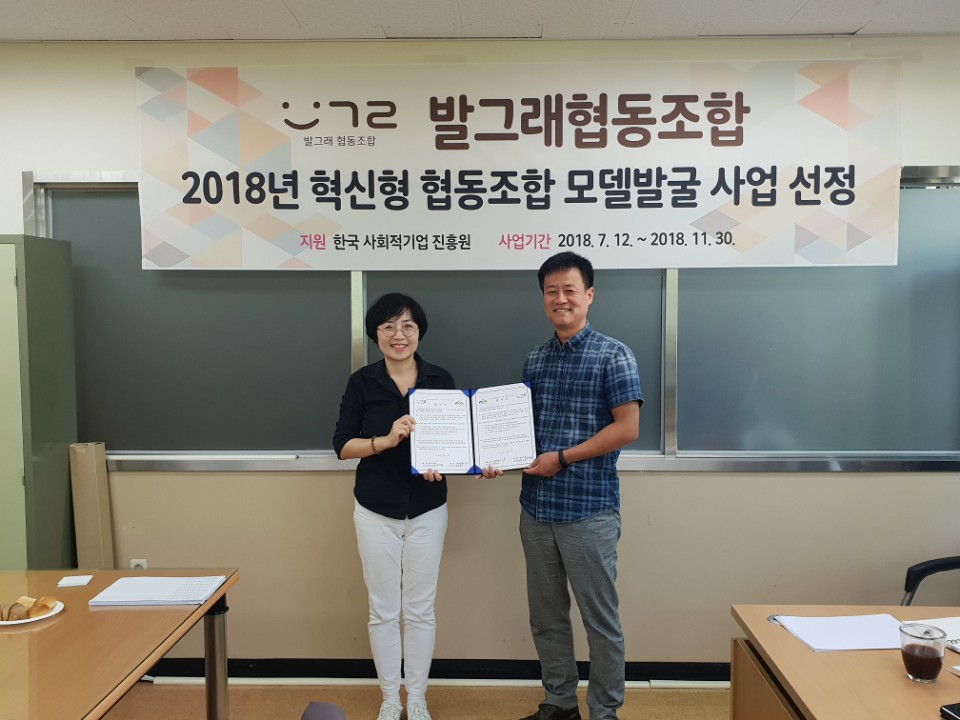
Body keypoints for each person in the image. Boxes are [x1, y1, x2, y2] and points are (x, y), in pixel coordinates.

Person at [484, 252, 643, 720]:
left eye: (570, 290)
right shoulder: (535, 358)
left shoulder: (614, 354)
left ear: (589, 295)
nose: (561, 299)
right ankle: (559, 702)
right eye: (551, 291)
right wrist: (495, 457)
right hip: (536, 509)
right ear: (543, 298)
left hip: (589, 511)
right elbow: (524, 434)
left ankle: (604, 711)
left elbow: (627, 428)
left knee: (600, 621)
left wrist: (564, 458)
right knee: (546, 616)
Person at [333, 293, 455, 720]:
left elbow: (455, 441)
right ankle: (389, 698)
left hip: (427, 509)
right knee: (383, 610)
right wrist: (383, 441)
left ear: (419, 332)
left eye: (407, 326)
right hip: (375, 509)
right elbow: (341, 446)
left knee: (420, 609)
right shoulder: (362, 383)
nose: (398, 335)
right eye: (388, 327)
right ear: (376, 334)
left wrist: (447, 463)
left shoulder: (441, 379)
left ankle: (416, 698)